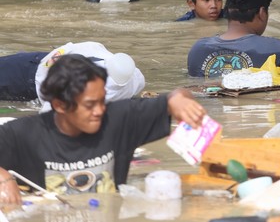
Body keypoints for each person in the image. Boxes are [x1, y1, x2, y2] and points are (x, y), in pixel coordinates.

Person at [0, 54, 205, 205]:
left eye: (102, 101)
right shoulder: (22, 134)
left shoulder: (118, 119)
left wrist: (181, 100)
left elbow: (175, 97)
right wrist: (4, 177)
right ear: (60, 105)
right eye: (89, 105)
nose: (99, 111)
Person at [0, 41, 145, 112]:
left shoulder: (133, 78)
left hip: (40, 68)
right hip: (32, 73)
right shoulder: (134, 78)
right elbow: (49, 116)